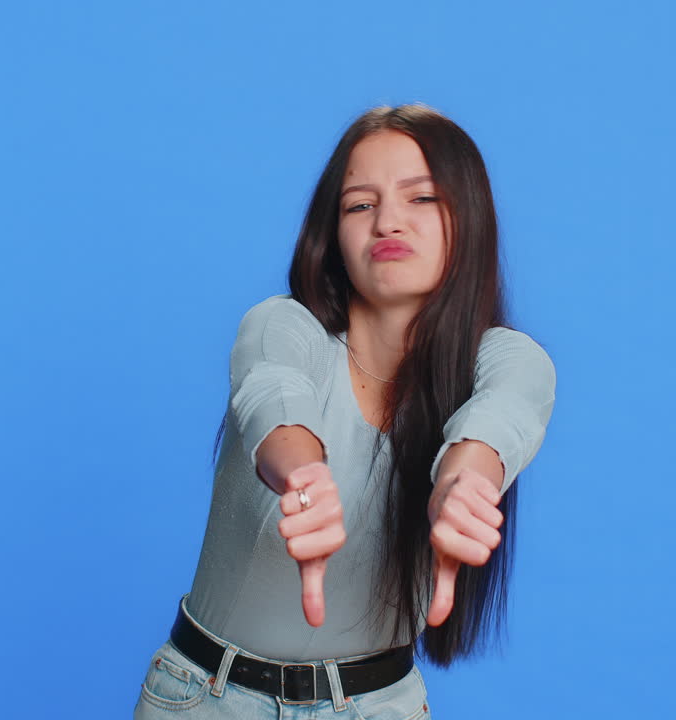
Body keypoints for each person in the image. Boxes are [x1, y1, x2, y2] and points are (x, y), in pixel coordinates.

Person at [133, 103, 557, 719]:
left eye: (421, 198)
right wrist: (302, 477)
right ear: (331, 232)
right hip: (205, 701)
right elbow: (272, 394)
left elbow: (504, 414)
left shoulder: (505, 358)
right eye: (360, 204)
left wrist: (464, 484)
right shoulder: (283, 325)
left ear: (470, 219)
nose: (387, 221)